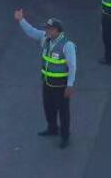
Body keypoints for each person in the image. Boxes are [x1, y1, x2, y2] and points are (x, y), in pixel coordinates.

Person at [14, 10, 76, 149]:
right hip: (47, 82)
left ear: (57, 31)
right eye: (46, 28)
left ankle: (65, 136)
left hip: (61, 85)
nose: (46, 30)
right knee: (48, 106)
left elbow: (72, 66)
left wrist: (70, 85)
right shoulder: (45, 38)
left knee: (63, 110)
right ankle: (52, 127)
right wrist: (21, 20)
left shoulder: (67, 45)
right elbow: (32, 32)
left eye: (49, 29)